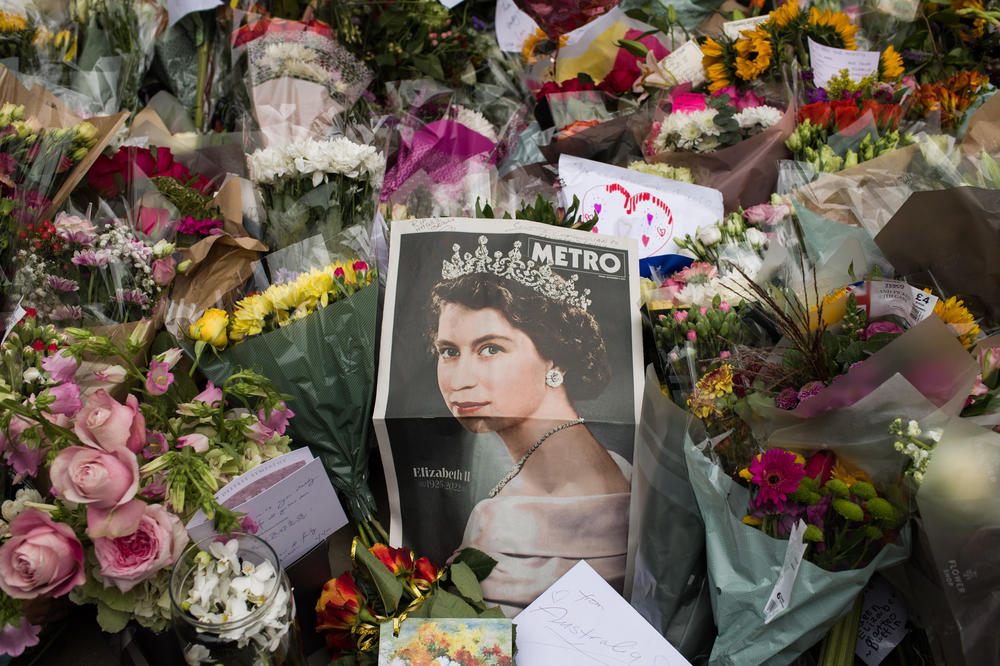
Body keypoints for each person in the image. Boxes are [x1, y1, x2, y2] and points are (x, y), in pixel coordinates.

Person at [426, 245, 630, 614]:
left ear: (555, 355)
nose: (461, 379)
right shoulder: (615, 465)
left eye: (490, 349)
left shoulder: (500, 521)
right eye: (449, 351)